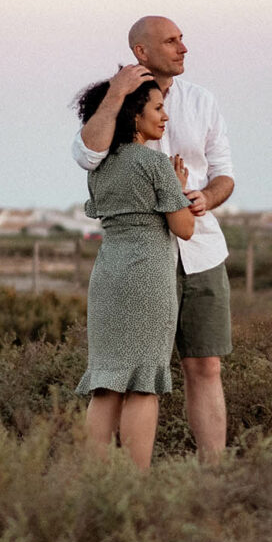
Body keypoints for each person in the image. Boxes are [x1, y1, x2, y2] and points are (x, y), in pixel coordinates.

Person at [72, 16, 234, 463]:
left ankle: (211, 472)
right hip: (146, 263)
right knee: (141, 378)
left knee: (203, 366)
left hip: (198, 252)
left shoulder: (202, 101)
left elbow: (225, 176)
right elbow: (88, 154)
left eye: (182, 39)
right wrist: (118, 94)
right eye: (171, 41)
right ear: (142, 51)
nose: (183, 47)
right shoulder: (115, 102)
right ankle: (135, 481)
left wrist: (203, 197)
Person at [74, 78, 195, 471]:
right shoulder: (156, 164)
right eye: (157, 108)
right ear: (134, 114)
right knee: (144, 384)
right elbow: (184, 228)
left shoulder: (100, 168)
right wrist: (178, 188)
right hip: (148, 281)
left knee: (106, 384)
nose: (165, 116)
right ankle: (134, 484)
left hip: (108, 277)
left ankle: (94, 482)